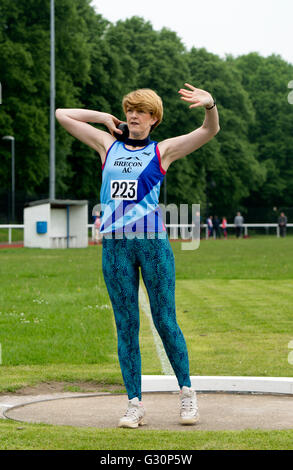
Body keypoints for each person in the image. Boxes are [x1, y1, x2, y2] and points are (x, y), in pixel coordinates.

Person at [56, 83, 219, 428]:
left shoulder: (164, 151)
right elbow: (62, 115)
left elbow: (209, 130)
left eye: (141, 111)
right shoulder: (107, 145)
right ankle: (134, 403)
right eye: (130, 110)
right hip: (115, 245)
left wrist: (210, 105)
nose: (133, 115)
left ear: (154, 118)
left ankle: (187, 395)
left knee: (165, 320)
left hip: (152, 244)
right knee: (126, 325)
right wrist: (103, 118)